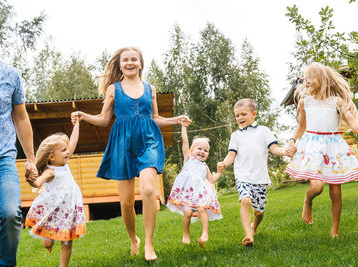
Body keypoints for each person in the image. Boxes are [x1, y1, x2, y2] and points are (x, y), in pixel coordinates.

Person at [71, 47, 190, 261]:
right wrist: (83, 115)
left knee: (147, 189)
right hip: (122, 144)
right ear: (119, 65)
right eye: (125, 60)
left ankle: (149, 245)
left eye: (134, 59)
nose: (130, 63)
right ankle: (134, 239)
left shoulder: (150, 89)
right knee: (125, 202)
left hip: (149, 140)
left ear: (141, 63)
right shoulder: (113, 90)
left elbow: (155, 117)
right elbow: (104, 119)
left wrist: (176, 120)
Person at [285, 62, 358, 237]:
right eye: (305, 78)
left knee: (335, 189)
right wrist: (292, 140)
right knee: (317, 187)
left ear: (322, 79)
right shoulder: (304, 101)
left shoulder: (336, 101)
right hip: (312, 145)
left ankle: (335, 230)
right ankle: (308, 200)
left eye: (311, 78)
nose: (306, 81)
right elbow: (301, 126)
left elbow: (351, 119)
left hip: (332, 145)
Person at [0, 19, 37, 266]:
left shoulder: (10, 75)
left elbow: (21, 117)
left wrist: (31, 158)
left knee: (10, 214)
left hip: (0, 157)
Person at [217, 99, 293, 247]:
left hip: (260, 178)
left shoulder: (263, 131)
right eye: (237, 115)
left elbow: (275, 149)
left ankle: (254, 227)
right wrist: (224, 163)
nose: (240, 118)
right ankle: (248, 235)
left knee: (259, 212)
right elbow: (231, 155)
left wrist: (285, 152)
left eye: (243, 114)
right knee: (245, 201)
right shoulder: (235, 136)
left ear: (254, 114)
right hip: (243, 176)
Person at [25, 120, 85, 267]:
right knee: (47, 243)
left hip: (68, 210)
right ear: (52, 157)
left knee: (67, 241)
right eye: (64, 150)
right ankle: (48, 242)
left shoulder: (65, 163)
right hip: (53, 211)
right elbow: (38, 183)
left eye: (67, 149)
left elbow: (73, 142)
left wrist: (77, 124)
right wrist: (30, 180)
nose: (68, 152)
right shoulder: (50, 172)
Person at [167, 124, 223, 248]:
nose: (202, 152)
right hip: (186, 193)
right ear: (191, 150)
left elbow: (212, 180)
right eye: (199, 148)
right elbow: (185, 141)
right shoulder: (188, 158)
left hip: (199, 194)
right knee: (187, 213)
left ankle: (205, 233)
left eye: (206, 150)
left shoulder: (205, 167)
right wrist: (183, 127)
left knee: (202, 209)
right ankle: (186, 233)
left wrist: (220, 172)